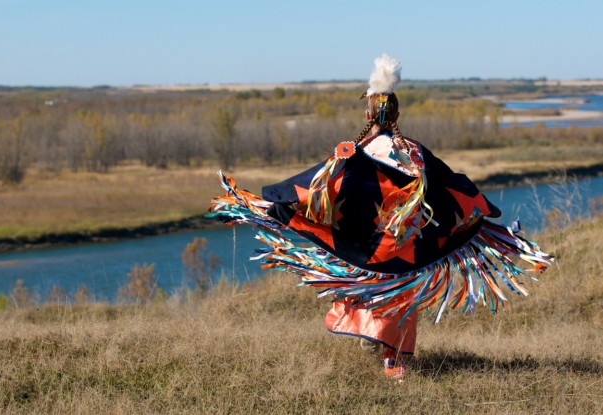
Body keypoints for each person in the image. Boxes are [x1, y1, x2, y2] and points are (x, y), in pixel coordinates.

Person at [208, 54, 552, 381]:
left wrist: (281, 204)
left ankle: (381, 349)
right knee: (398, 295)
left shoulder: (355, 155)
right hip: (408, 251)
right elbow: (450, 187)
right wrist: (477, 216)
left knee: (369, 289)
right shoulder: (415, 152)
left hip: (368, 249)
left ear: (368, 114)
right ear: (396, 114)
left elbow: (317, 190)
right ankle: (393, 358)